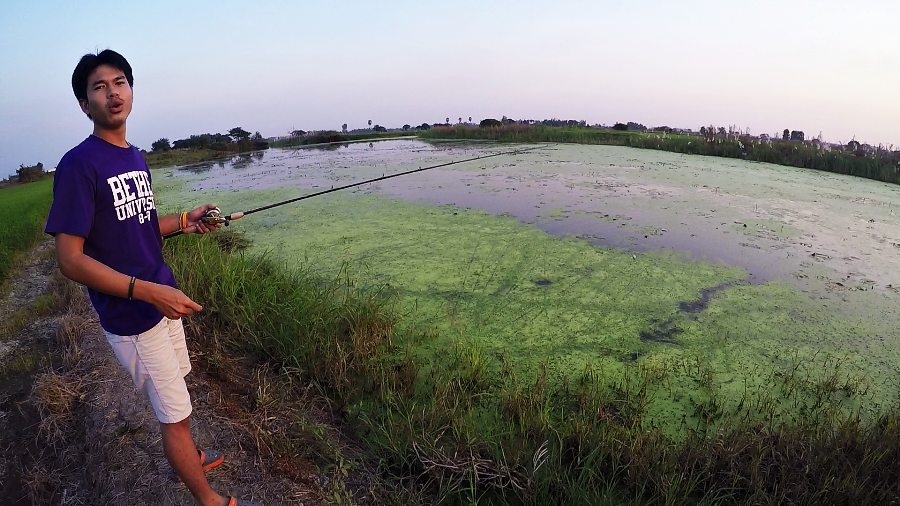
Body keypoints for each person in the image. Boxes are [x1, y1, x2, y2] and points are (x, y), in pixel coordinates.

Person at [45, 49, 257, 506]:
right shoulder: (79, 165)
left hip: (161, 296)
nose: (111, 93)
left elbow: (137, 224)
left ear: (131, 90)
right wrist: (145, 291)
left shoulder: (135, 156)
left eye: (119, 82)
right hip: (133, 315)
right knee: (174, 415)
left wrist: (184, 220)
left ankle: (193, 454)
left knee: (179, 384)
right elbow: (69, 258)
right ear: (85, 104)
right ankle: (211, 501)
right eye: (98, 87)